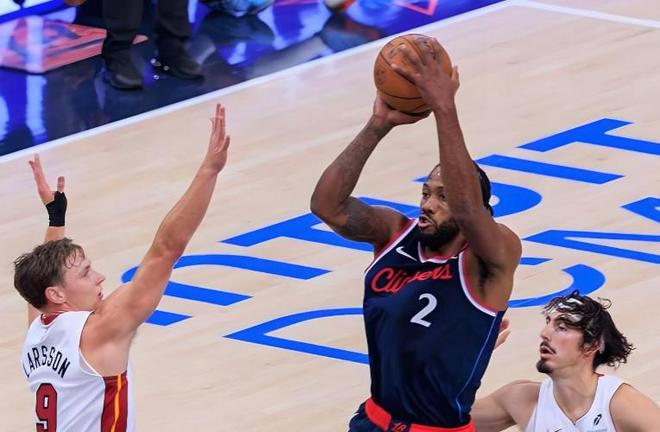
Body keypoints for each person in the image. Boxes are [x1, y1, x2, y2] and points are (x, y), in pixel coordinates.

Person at [310, 39, 522, 431]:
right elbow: (328, 205)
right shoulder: (395, 234)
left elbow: (467, 210)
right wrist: (377, 126)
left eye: (442, 197)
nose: (428, 204)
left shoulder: (490, 259)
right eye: (425, 193)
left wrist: (444, 106)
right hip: (372, 421)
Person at [16, 103, 230, 431]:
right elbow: (166, 250)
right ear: (56, 294)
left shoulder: (36, 332)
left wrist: (56, 219)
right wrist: (209, 171)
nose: (99, 277)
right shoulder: (100, 330)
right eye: (86, 273)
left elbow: (43, 282)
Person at [472, 291, 660, 431]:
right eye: (548, 323)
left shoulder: (620, 403)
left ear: (591, 345)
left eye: (561, 327)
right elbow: (454, 424)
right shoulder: (521, 399)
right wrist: (466, 359)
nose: (544, 333)